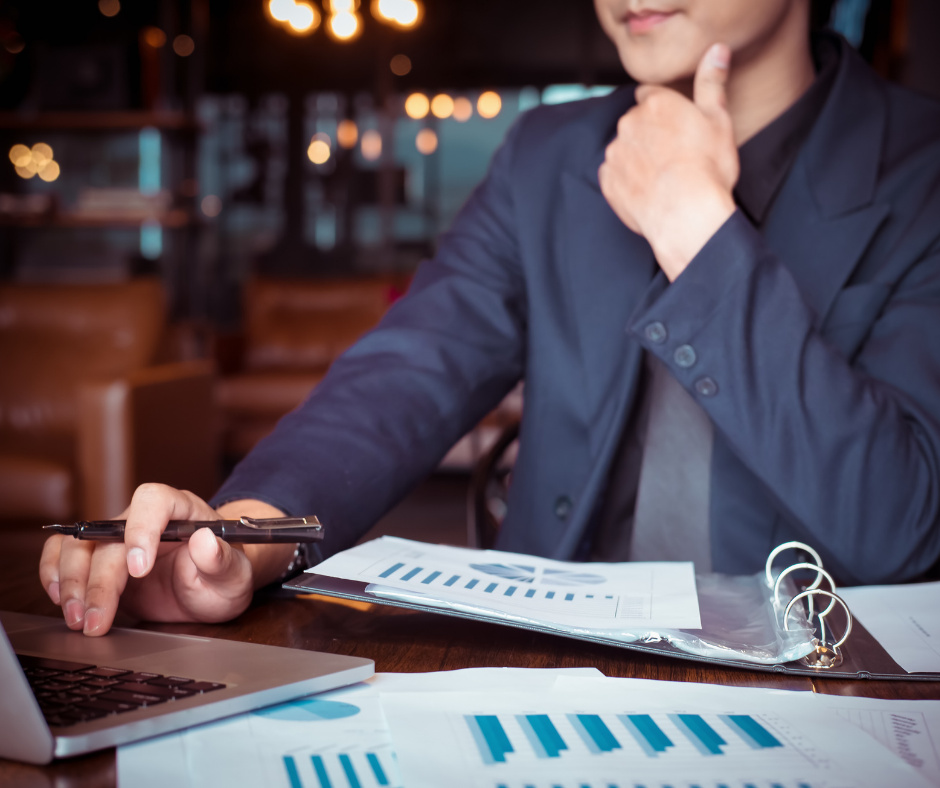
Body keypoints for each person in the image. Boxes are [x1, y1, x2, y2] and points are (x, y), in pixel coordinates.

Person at [40, 0, 940, 637]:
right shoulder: (550, 157)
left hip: (819, 696)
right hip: (542, 674)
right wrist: (236, 538)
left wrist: (696, 229)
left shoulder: (921, 168)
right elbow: (406, 374)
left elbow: (901, 523)